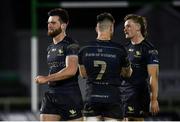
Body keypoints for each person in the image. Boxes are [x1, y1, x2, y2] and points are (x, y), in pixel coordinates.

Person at [78, 12, 132, 121]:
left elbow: (83, 74)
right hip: (113, 98)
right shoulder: (119, 50)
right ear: (111, 27)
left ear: (97, 28)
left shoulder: (84, 49)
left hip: (92, 98)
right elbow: (127, 74)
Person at [34, 8, 83, 121]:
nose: (49, 25)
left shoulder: (71, 44)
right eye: (48, 23)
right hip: (52, 95)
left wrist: (46, 78)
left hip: (69, 96)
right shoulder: (50, 47)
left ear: (63, 25)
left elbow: (71, 70)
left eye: (53, 23)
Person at [121, 14, 160, 121]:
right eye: (124, 27)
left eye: (128, 26)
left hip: (138, 96)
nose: (125, 29)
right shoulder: (124, 48)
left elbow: (153, 76)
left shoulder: (149, 49)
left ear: (138, 27)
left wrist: (154, 99)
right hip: (122, 95)